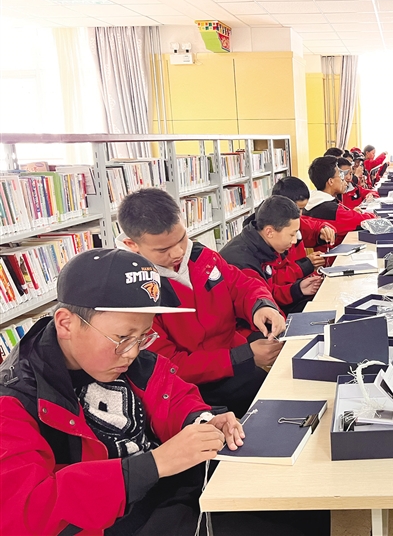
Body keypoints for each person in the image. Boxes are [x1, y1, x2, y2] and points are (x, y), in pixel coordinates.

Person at [1, 249, 251, 535]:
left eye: (143, 336)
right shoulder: (15, 401)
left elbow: (173, 396)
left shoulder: (128, 359)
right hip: (120, 522)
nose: (132, 352)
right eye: (122, 337)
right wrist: (153, 465)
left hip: (175, 494)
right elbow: (23, 512)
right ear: (66, 324)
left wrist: (202, 421)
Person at [117, 189, 285, 417]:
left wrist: (262, 305)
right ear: (132, 244)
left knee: (282, 396)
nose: (178, 252)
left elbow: (241, 285)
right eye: (163, 249)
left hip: (238, 364)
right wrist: (242, 357)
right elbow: (170, 364)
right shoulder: (134, 294)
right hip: (195, 391)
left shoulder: (201, 255)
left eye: (181, 238)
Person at [220, 196, 323, 315]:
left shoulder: (263, 245)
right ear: (269, 232)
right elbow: (263, 310)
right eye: (291, 235)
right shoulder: (243, 264)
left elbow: (269, 290)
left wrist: (298, 289)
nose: (294, 240)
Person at [304, 156, 376, 241]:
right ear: (331, 181)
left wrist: (350, 212)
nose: (343, 179)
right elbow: (368, 221)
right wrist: (374, 215)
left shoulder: (311, 202)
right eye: (340, 175)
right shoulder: (331, 210)